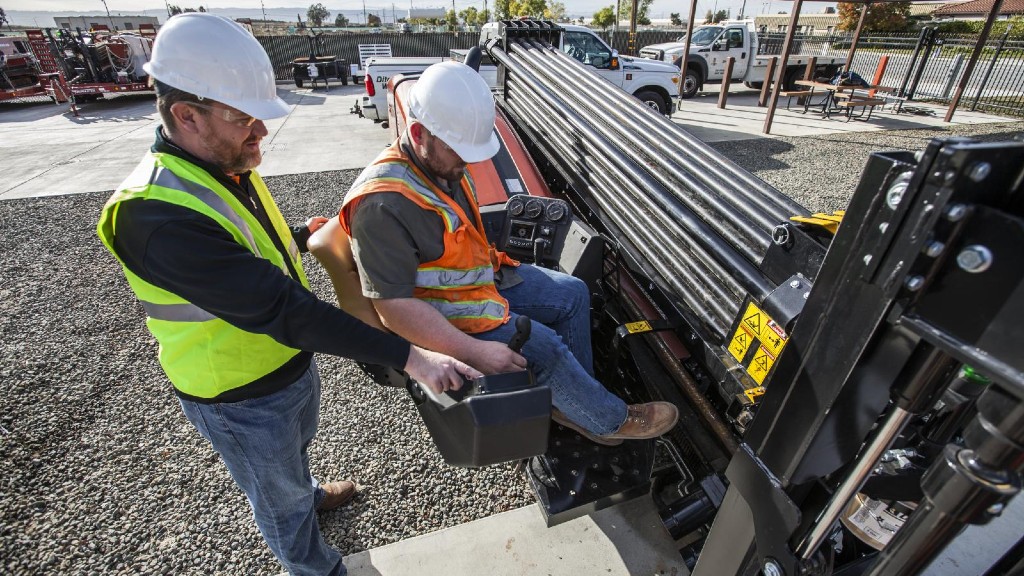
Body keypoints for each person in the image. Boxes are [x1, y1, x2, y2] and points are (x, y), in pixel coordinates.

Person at [95, 14, 479, 576]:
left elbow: (247, 246)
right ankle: (313, 566)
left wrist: (300, 236)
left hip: (285, 368)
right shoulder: (152, 216)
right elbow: (279, 307)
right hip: (238, 393)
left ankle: (307, 491)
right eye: (244, 119)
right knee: (274, 496)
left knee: (291, 458)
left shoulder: (220, 164)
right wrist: (412, 356)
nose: (260, 133)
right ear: (186, 114)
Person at [339, 61, 680, 445]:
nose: (469, 162)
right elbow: (393, 308)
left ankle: (576, 404)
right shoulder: (382, 205)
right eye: (460, 151)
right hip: (440, 312)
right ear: (418, 133)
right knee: (545, 346)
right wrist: (476, 352)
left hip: (478, 285)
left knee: (572, 293)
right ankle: (607, 421)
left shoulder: (439, 161)